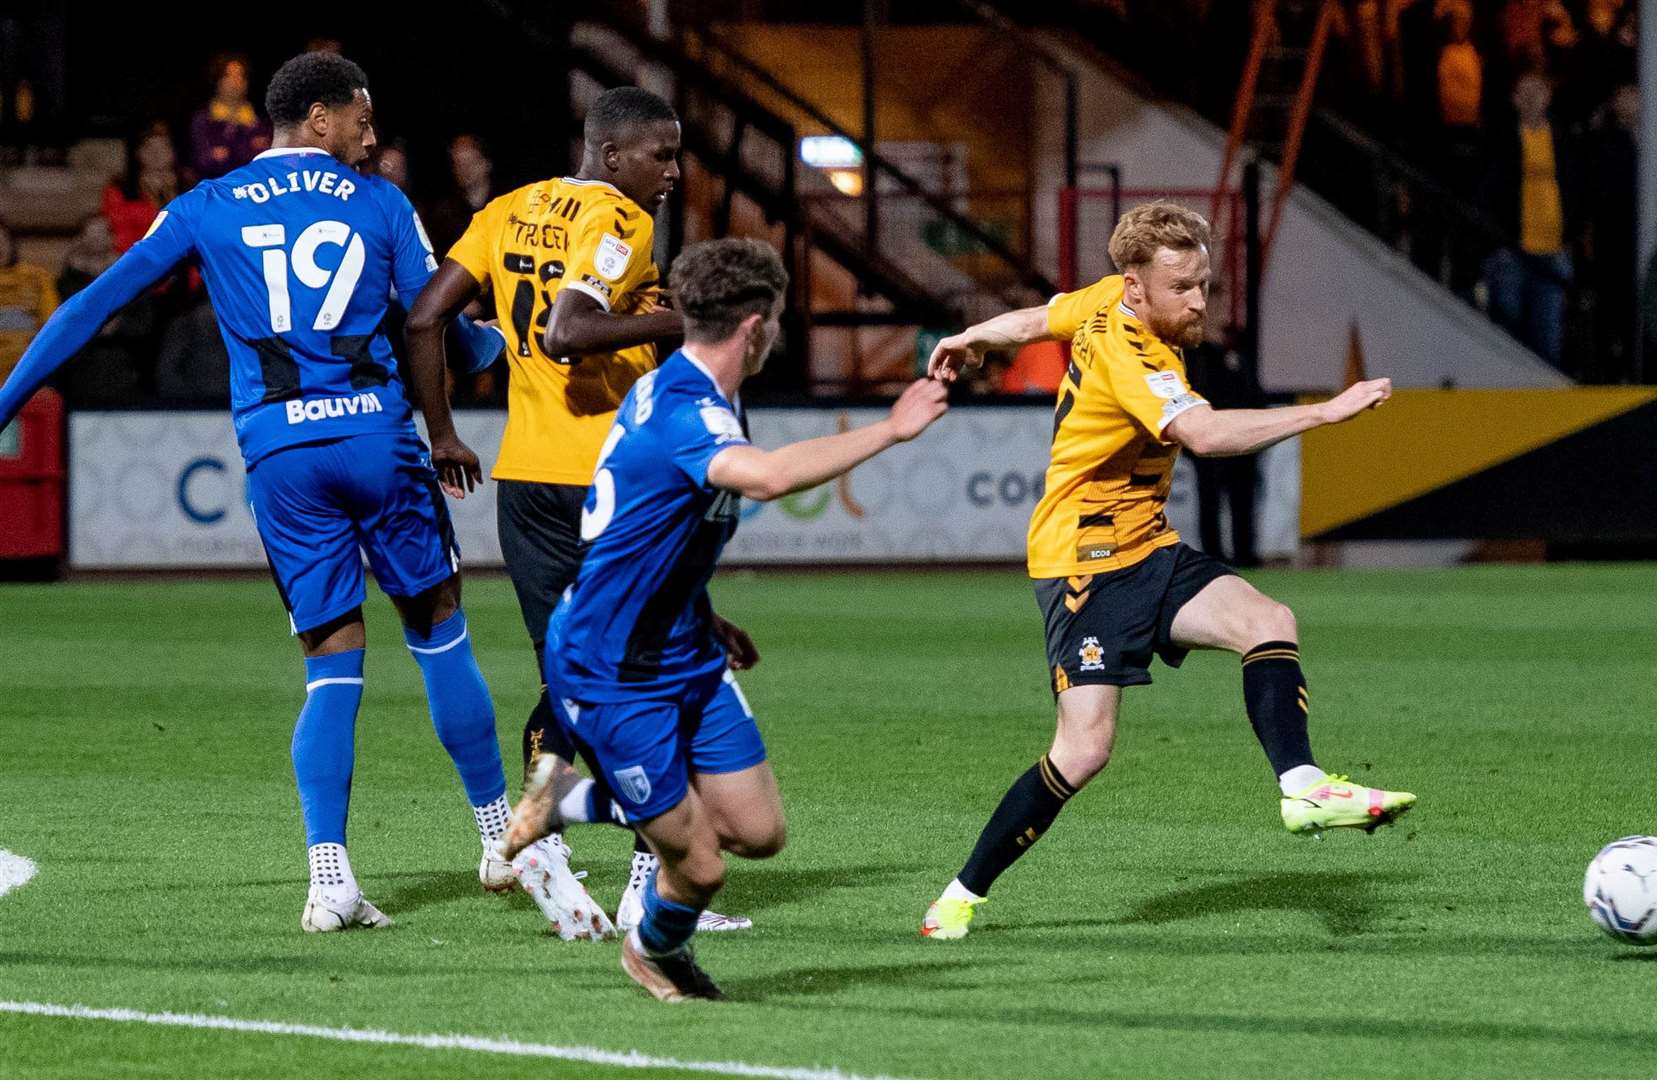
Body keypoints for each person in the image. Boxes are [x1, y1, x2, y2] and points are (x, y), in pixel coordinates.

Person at [0, 51, 513, 933]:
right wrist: (511, 345)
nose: (372, 132)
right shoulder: (382, 203)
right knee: (439, 635)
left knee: (329, 671)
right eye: (361, 115)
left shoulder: (205, 205)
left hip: (283, 457)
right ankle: (504, 840)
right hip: (378, 443)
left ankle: (329, 878)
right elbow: (441, 332)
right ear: (319, 118)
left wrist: (3, 400)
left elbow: (87, 309)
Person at [918, 201, 1416, 940]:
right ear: (1134, 287)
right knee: (1083, 750)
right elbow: (1206, 434)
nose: (1197, 302)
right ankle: (959, 895)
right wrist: (1322, 413)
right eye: (1181, 287)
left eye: (1204, 285)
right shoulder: (1131, 352)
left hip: (1147, 544)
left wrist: (972, 336)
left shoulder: (1101, 298)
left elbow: (1038, 319)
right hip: (1081, 563)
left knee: (1267, 621)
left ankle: (1303, 786)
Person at [496, 237, 950, 1000]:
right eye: (773, 320)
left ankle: (569, 798)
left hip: (681, 645)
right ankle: (650, 951)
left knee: (759, 834)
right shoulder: (682, 403)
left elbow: (655, 526)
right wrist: (893, 427)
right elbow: (766, 477)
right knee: (700, 866)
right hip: (612, 668)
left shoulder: (700, 386)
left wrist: (703, 611)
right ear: (753, 325)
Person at [408, 85, 750, 938]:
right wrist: (694, 320)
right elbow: (568, 331)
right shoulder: (618, 221)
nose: (671, 173)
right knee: (657, 677)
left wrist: (443, 432)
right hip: (607, 481)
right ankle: (652, 888)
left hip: (527, 481)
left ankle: (540, 836)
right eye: (660, 156)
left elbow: (422, 317)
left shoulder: (509, 208)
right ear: (610, 156)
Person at [1480, 73, 1580, 368]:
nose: (1533, 98)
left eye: (1539, 91)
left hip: (1554, 249)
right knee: (1508, 331)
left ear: (1548, 97)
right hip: (1514, 250)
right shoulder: (1503, 140)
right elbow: (1489, 190)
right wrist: (1498, 240)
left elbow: (1577, 187)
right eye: (1525, 91)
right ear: (1515, 100)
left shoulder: (1563, 139)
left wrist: (1571, 233)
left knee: (1549, 336)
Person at [189, 53, 272, 180]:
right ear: (217, 80)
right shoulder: (204, 119)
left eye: (241, 76)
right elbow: (203, 162)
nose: (236, 81)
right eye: (229, 75)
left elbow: (266, 162)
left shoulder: (259, 120)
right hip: (218, 190)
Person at [0, 222, 58, 382]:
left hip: (25, 373)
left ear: (12, 244)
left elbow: (51, 327)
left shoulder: (37, 278)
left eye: (3, 241)